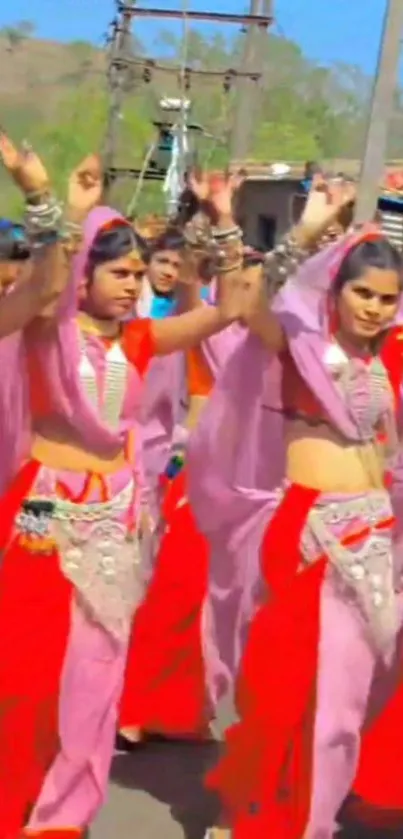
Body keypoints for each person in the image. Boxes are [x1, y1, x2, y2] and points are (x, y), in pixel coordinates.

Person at [0, 133, 246, 839]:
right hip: (46, 510)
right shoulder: (49, 330)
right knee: (26, 675)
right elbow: (43, 285)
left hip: (114, 516)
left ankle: (63, 814)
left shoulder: (138, 340)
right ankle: (16, 798)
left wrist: (223, 219)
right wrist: (50, 201)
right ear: (85, 274)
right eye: (120, 272)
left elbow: (228, 312)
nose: (134, 283)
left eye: (140, 273)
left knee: (96, 678)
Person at [187, 220, 403, 839]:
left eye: (388, 298)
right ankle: (268, 815)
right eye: (364, 294)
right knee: (288, 692)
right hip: (312, 534)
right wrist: (297, 234)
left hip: (373, 535)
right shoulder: (300, 346)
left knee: (345, 704)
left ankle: (312, 817)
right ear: (335, 292)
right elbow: (246, 302)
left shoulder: (386, 356)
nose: (375, 308)